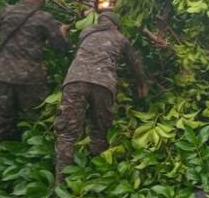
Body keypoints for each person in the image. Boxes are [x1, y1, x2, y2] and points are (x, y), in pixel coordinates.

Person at [0, 0, 71, 166]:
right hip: (30, 77)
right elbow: (61, 47)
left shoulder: (5, 11)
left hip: (3, 74)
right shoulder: (44, 18)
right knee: (34, 120)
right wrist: (63, 32)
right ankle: (32, 165)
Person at [54, 11, 148, 185]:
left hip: (75, 81)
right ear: (116, 25)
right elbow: (135, 64)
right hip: (103, 85)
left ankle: (60, 184)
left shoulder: (85, 33)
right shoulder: (120, 38)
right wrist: (142, 84)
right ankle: (97, 178)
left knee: (67, 134)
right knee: (99, 132)